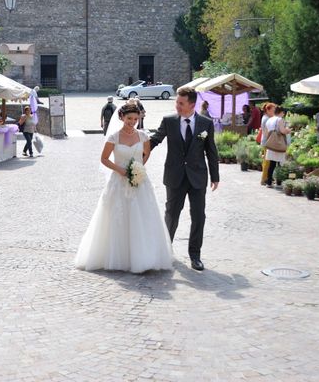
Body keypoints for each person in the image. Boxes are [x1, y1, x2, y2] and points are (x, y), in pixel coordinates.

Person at [75, 103, 172, 273]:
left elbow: (146, 153)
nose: (132, 122)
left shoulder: (143, 136)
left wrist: (138, 170)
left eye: (135, 119)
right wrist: (121, 170)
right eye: (129, 119)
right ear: (121, 117)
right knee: (116, 217)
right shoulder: (114, 137)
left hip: (139, 181)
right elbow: (104, 159)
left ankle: (144, 255)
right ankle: (118, 256)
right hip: (118, 181)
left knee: (142, 216)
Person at [149, 87, 219, 271]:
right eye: (176, 102)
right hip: (175, 176)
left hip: (198, 177)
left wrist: (215, 176)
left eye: (181, 103)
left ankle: (195, 256)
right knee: (171, 214)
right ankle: (165, 252)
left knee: (198, 216)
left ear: (192, 104)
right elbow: (155, 140)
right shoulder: (169, 121)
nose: (177, 106)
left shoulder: (206, 123)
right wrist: (136, 151)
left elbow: (211, 150)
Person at [264, 106, 291, 187]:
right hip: (278, 144)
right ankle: (279, 182)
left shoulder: (269, 119)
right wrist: (288, 130)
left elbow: (265, 132)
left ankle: (269, 182)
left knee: (272, 163)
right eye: (283, 113)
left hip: (271, 144)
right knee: (280, 163)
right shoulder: (279, 119)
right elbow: (282, 131)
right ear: (281, 112)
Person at [259, 102, 276, 186]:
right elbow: (266, 132)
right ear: (268, 110)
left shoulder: (266, 117)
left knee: (266, 160)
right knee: (267, 161)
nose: (274, 112)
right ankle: (264, 178)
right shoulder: (266, 119)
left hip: (266, 141)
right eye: (273, 110)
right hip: (267, 142)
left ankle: (265, 177)